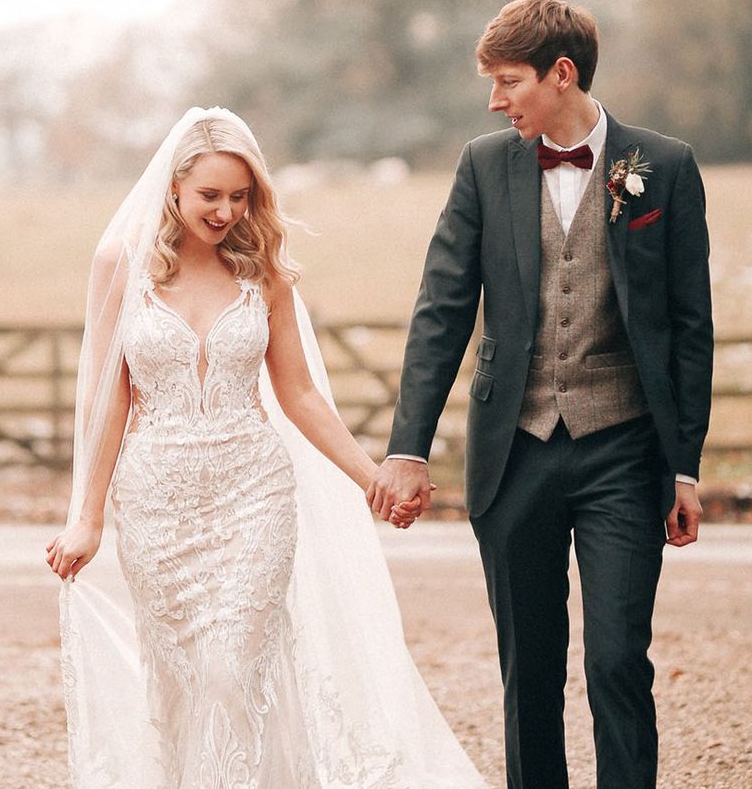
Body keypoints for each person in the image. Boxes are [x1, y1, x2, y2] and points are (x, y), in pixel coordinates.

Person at [45, 107, 488, 789]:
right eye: (210, 196)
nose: (225, 211)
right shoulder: (120, 266)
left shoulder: (263, 273)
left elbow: (301, 395)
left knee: (230, 671)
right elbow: (106, 401)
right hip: (155, 505)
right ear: (173, 189)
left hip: (252, 497)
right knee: (181, 682)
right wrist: (88, 516)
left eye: (240, 196)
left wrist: (374, 478)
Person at [367, 0, 713, 789]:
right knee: (530, 673)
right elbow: (441, 310)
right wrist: (408, 447)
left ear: (562, 74)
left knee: (619, 658)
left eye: (507, 82)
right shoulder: (483, 167)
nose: (495, 101)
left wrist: (684, 467)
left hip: (623, 453)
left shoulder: (664, 165)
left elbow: (692, 328)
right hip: (513, 453)